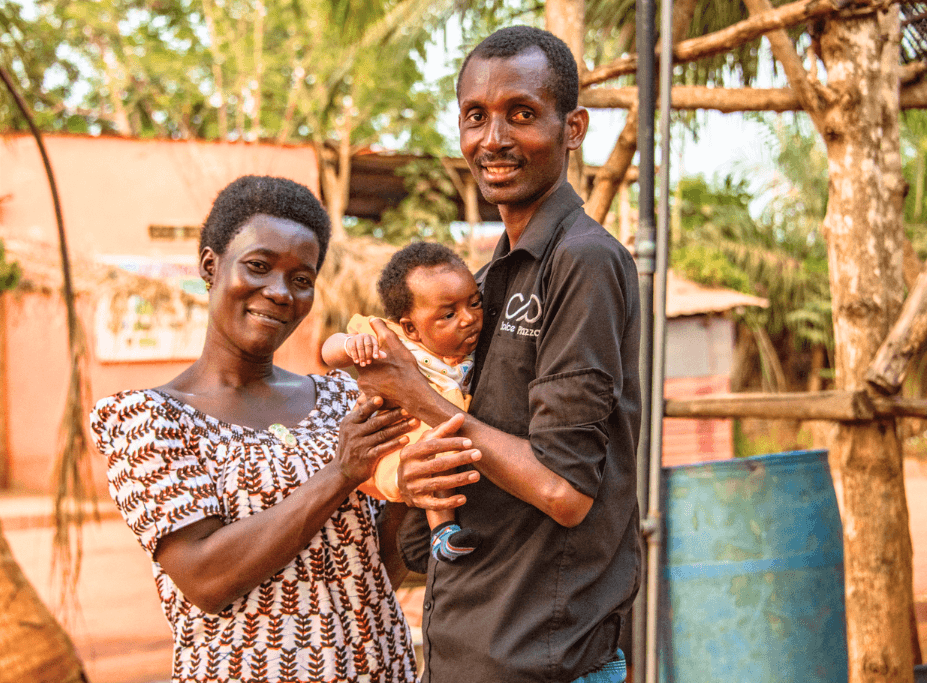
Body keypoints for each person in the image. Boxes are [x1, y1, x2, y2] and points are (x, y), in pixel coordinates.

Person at [355, 26, 642, 683]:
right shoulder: (485, 284)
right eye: (475, 116)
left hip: (541, 659)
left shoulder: (584, 261)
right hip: (469, 646)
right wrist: (401, 462)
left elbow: (565, 491)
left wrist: (419, 396)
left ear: (573, 129)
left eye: (522, 114)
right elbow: (458, 443)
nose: (493, 138)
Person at [90, 175, 426, 683]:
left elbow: (375, 567)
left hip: (378, 668)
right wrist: (340, 473)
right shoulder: (150, 421)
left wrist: (410, 488)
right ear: (210, 266)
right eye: (259, 266)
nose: (279, 292)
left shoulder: (343, 398)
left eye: (301, 278)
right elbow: (206, 578)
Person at [321, 241, 484, 563]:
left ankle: (442, 533)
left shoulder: (476, 347)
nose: (468, 318)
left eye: (475, 303)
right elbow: (330, 350)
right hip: (400, 446)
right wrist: (353, 345)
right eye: (448, 314)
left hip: (446, 437)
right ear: (411, 328)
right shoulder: (392, 339)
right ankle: (443, 532)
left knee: (440, 459)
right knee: (431, 466)